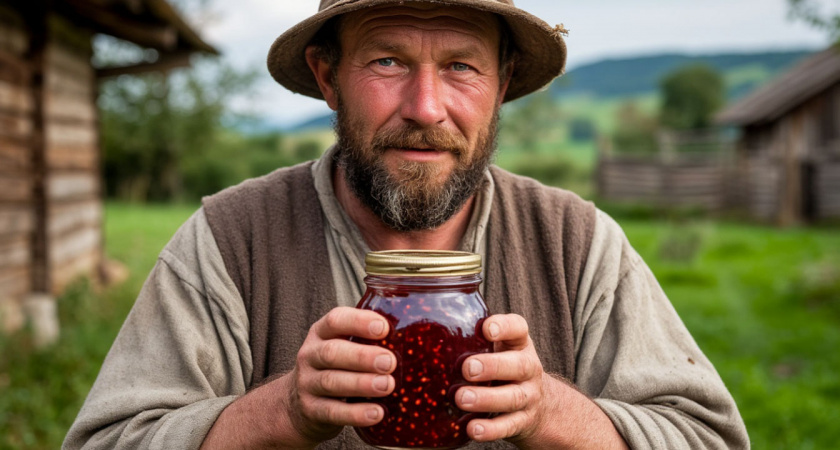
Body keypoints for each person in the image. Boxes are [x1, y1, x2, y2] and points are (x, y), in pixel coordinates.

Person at [64, 0, 750, 448]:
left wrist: (548, 413)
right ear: (327, 76)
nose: (426, 107)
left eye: (461, 66)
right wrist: (281, 412)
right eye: (388, 60)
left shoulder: (575, 243)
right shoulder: (231, 239)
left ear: (502, 84)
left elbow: (708, 437)